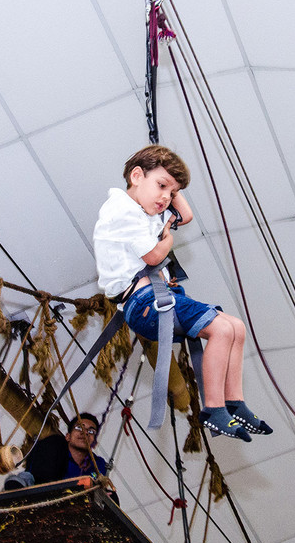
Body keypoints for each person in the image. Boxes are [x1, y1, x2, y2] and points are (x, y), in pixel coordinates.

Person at [92, 145, 272, 442]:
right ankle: (214, 409)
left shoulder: (148, 213)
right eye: (161, 186)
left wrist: (171, 186)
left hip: (159, 299)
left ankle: (234, 402)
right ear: (136, 176)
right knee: (221, 331)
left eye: (172, 192)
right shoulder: (122, 211)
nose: (166, 197)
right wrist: (167, 241)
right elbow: (153, 255)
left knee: (236, 327)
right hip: (145, 304)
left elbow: (185, 216)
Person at [4, 413, 117, 503]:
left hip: (78, 504)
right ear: (68, 437)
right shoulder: (55, 448)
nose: (85, 432)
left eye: (91, 431)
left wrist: (104, 495)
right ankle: (23, 483)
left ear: (95, 442)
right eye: (79, 428)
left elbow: (99, 487)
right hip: (47, 495)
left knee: (112, 497)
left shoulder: (98, 463)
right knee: (53, 444)